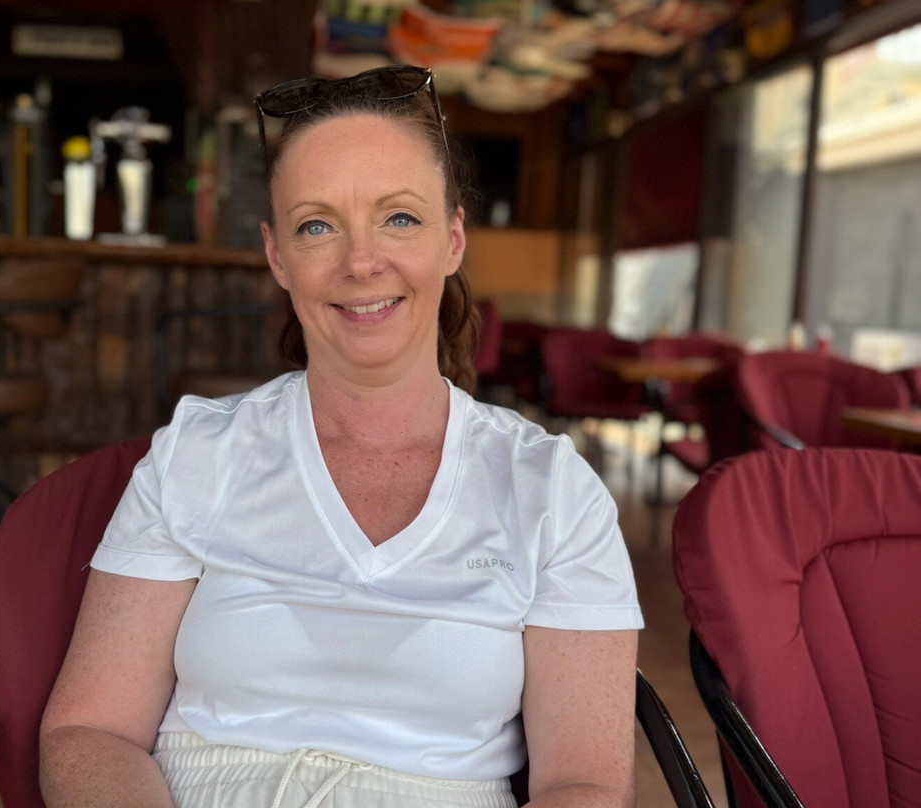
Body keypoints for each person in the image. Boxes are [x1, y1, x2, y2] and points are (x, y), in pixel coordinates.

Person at [40, 66, 643, 808]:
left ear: (453, 239)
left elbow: (586, 783)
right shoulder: (197, 454)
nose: (361, 262)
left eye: (400, 218)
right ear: (277, 256)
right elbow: (90, 730)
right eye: (316, 226)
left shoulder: (552, 490)